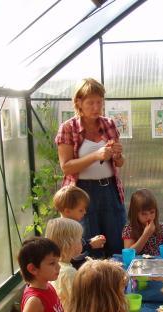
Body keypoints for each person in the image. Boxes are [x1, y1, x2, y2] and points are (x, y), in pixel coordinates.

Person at [55, 77, 126, 258]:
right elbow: (66, 167)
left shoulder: (108, 124)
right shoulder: (68, 128)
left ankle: (117, 282)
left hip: (109, 188)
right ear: (79, 102)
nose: (96, 107)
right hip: (81, 192)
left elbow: (119, 163)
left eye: (99, 103)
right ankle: (90, 284)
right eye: (91, 103)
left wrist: (118, 155)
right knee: (88, 244)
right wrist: (96, 155)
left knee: (116, 240)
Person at [53, 185, 106, 268]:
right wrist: (91, 245)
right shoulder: (67, 229)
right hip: (73, 267)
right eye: (81, 210)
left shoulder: (65, 224)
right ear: (67, 211)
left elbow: (76, 243)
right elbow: (72, 254)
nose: (84, 212)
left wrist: (90, 241)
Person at [45, 218, 83, 312]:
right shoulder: (69, 272)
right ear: (69, 244)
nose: (82, 241)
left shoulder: (54, 267)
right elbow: (84, 303)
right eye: (80, 239)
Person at [122, 188, 163, 256]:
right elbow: (128, 254)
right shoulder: (129, 229)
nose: (149, 217)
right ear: (135, 214)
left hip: (157, 264)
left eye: (152, 212)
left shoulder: (161, 227)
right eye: (144, 214)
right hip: (137, 264)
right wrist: (146, 235)